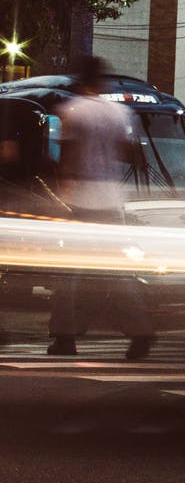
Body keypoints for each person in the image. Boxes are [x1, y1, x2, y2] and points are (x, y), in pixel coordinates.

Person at [47, 56, 155, 359]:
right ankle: (140, 332)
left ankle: (65, 338)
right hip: (111, 203)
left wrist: (62, 197)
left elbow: (67, 159)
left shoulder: (73, 111)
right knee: (116, 273)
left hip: (80, 203)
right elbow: (131, 156)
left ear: (80, 81)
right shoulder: (120, 113)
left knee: (66, 276)